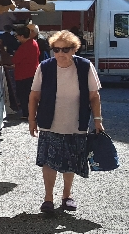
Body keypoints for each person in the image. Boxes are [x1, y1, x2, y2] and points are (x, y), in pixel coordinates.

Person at [29, 30, 103, 213]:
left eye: (66, 49)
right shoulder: (45, 67)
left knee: (70, 161)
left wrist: (98, 120)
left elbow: (94, 96)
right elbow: (34, 96)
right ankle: (48, 199)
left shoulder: (85, 66)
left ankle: (67, 196)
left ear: (74, 49)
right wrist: (32, 120)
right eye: (56, 49)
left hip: (76, 122)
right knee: (48, 161)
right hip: (49, 122)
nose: (60, 54)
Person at [12, 25, 40, 120]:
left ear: (22, 36)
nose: (17, 38)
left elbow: (15, 60)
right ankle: (32, 112)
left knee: (23, 95)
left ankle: (26, 113)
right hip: (32, 72)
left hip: (24, 74)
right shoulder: (34, 43)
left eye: (18, 36)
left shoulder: (24, 47)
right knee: (30, 94)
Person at [0, 24, 20, 111]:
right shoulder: (12, 38)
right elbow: (16, 47)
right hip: (10, 58)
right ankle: (15, 101)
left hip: (2, 58)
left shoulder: (0, 36)